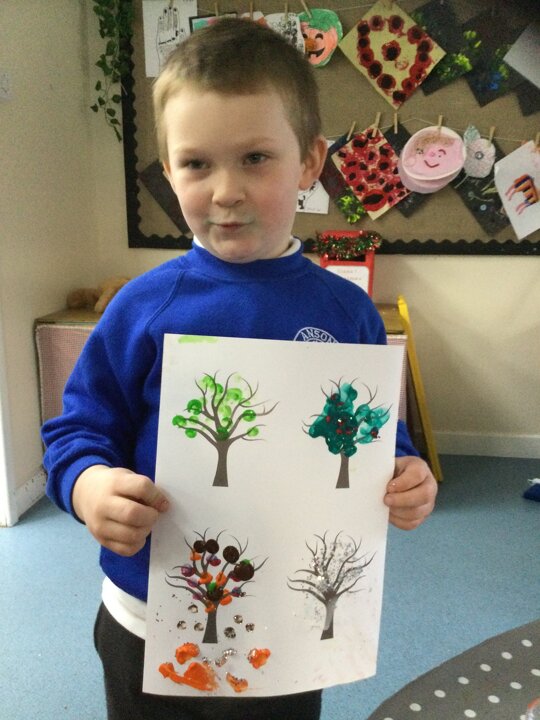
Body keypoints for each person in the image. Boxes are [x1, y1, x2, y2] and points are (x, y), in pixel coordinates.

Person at [42, 17, 437, 720]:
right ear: (169, 172)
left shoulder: (348, 313)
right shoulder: (142, 307)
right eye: (196, 164)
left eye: (255, 158)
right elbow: (78, 431)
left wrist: (407, 475)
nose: (225, 190)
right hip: (147, 617)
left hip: (286, 623)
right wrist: (88, 486)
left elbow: (375, 441)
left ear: (309, 163)